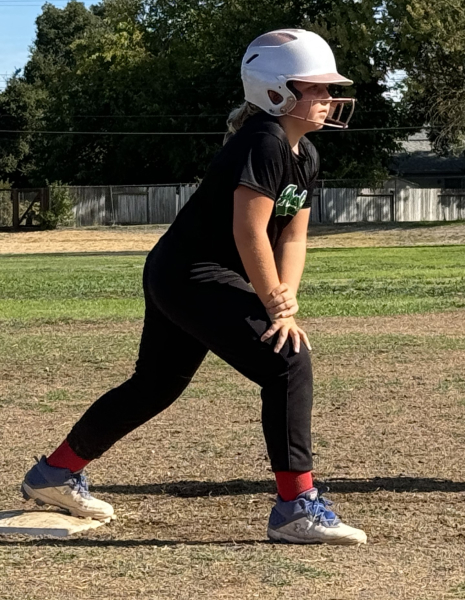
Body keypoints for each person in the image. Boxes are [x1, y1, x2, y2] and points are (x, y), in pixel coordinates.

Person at [22, 29, 366, 545]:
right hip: (190, 274)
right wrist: (275, 305)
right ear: (276, 91)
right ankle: (296, 507)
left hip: (186, 271)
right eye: (315, 87)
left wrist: (287, 298)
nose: (327, 97)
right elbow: (248, 231)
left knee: (156, 384)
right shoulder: (264, 139)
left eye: (328, 88)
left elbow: (293, 231)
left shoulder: (305, 154)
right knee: (287, 362)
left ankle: (54, 473)